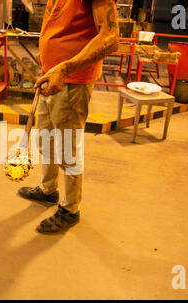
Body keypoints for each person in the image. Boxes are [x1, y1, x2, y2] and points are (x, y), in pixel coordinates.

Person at [18, 0, 119, 234]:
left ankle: (70, 209)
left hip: (73, 81)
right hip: (51, 75)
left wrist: (65, 68)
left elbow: (111, 38)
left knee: (68, 149)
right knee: (46, 138)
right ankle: (48, 190)